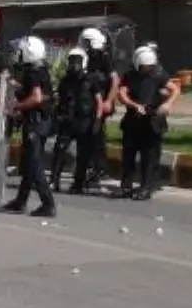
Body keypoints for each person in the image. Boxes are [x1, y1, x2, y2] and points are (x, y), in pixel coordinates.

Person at [2, 36, 56, 218]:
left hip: (36, 122)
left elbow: (36, 97)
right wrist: (11, 84)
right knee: (28, 162)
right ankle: (20, 201)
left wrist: (17, 107)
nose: (18, 54)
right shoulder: (40, 70)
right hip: (41, 121)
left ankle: (48, 204)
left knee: (34, 164)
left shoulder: (33, 72)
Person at [117, 45, 179, 200]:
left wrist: (167, 104)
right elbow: (122, 93)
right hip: (133, 119)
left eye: (150, 66)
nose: (148, 69)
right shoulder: (130, 75)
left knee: (149, 157)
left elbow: (175, 89)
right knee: (128, 155)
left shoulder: (159, 74)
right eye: (145, 67)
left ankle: (146, 187)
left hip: (152, 121)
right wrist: (133, 105)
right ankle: (126, 186)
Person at [50, 48, 103, 193]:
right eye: (72, 61)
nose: (74, 65)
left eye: (77, 62)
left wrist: (97, 120)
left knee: (83, 154)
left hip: (84, 121)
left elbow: (99, 101)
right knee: (60, 149)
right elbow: (59, 99)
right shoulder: (65, 80)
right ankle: (54, 180)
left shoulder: (91, 80)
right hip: (67, 120)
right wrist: (57, 113)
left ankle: (78, 183)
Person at [79, 28, 118, 189]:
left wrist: (108, 101)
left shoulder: (103, 58)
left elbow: (115, 81)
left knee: (96, 136)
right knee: (90, 136)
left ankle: (98, 169)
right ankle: (92, 168)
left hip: (100, 102)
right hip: (88, 104)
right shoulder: (85, 58)